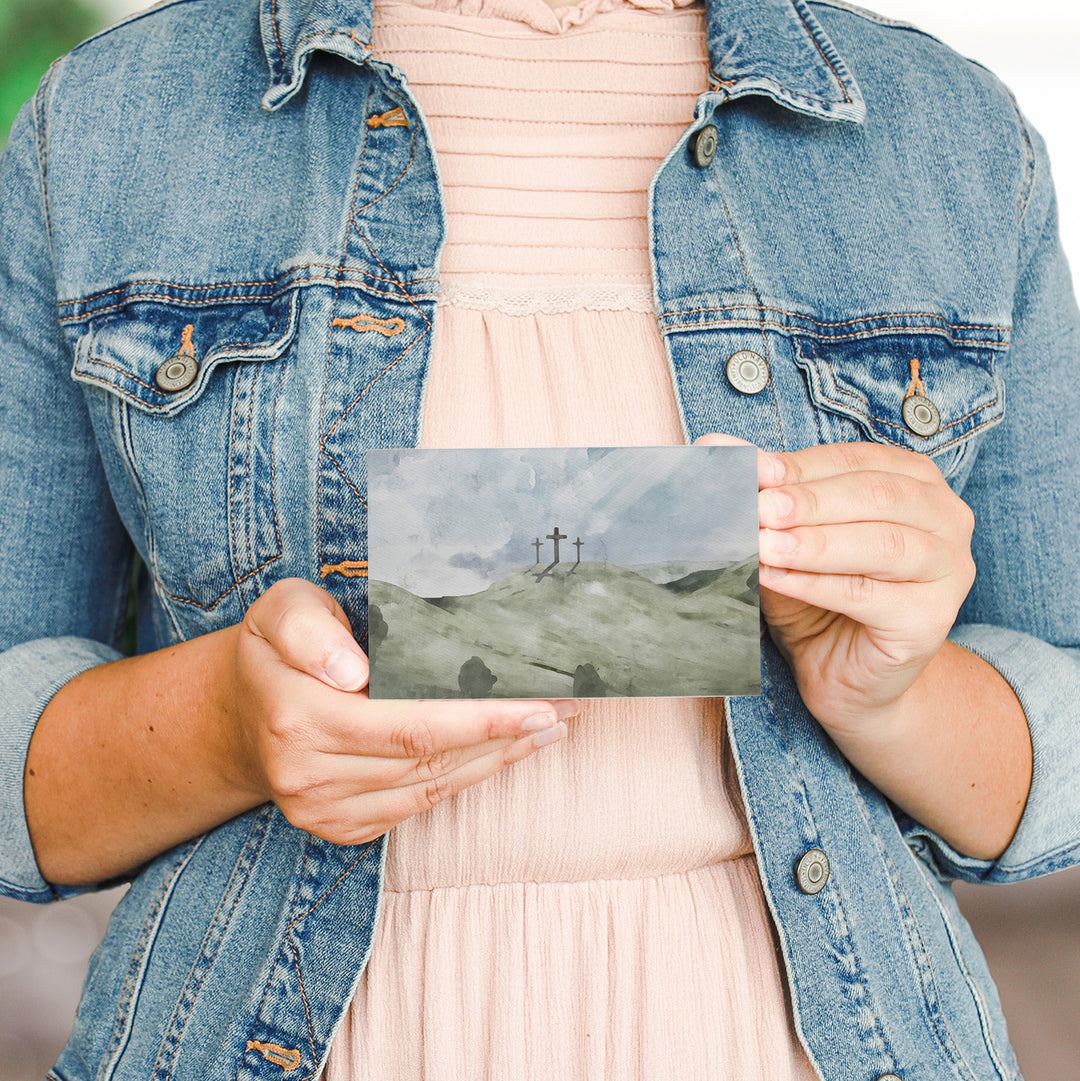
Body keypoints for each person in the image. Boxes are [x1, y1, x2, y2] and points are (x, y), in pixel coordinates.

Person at [0, 0, 1075, 1077]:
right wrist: (224, 728)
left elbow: (1051, 747)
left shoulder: (954, 138)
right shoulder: (105, 129)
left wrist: (895, 694)